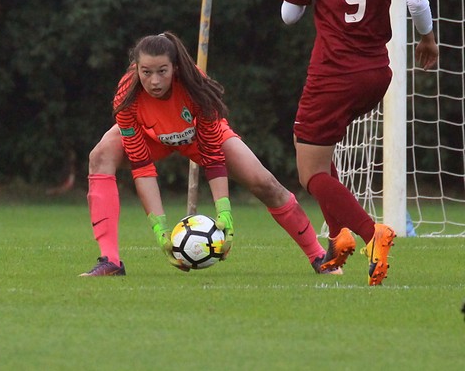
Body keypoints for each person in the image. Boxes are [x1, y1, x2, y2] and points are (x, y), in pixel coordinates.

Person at [280, 0, 438, 286]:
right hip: (375, 74)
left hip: (333, 73)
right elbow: (417, 1)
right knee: (321, 154)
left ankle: (372, 234)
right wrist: (427, 39)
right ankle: (339, 239)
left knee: (310, 172)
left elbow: (289, 16)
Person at [82, 31, 337, 276]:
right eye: (146, 72)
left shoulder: (196, 86)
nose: (154, 81)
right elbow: (141, 165)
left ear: (175, 68)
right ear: (137, 69)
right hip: (153, 139)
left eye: (162, 71)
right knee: (100, 155)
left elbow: (213, 155)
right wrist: (159, 228)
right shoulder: (126, 94)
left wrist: (224, 212)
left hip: (198, 137)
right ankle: (110, 261)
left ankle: (319, 257)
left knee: (265, 183)